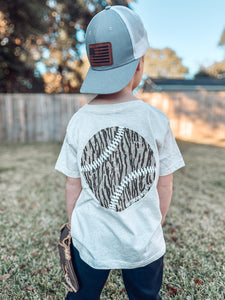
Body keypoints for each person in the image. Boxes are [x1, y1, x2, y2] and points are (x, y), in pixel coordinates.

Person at [55, 5, 185, 300]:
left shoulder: (79, 120)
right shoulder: (155, 119)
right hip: (144, 242)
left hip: (90, 239)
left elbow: (72, 183)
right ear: (139, 64)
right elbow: (165, 182)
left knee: (82, 295)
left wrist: (76, 226)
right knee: (145, 296)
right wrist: (156, 221)